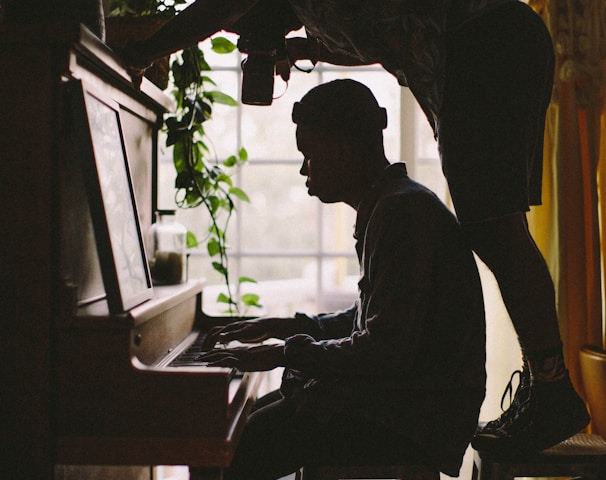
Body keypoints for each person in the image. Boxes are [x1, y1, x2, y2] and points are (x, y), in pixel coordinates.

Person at [124, 0, 591, 455]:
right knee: (497, 230)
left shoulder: (398, 211)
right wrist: (308, 50)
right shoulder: (331, 21)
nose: (252, 44)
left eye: (249, 34)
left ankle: (550, 391)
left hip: (484, 43)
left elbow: (216, 8)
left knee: (495, 232)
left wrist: (149, 48)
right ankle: (544, 385)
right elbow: (378, 39)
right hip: (487, 43)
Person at [195, 79, 486, 479]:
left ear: (343, 150)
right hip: (404, 400)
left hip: (414, 417)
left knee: (229, 451)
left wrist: (283, 353)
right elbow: (371, 320)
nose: (303, 169)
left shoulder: (400, 214)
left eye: (309, 154)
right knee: (235, 432)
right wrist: (281, 327)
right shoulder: (393, 202)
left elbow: (385, 349)